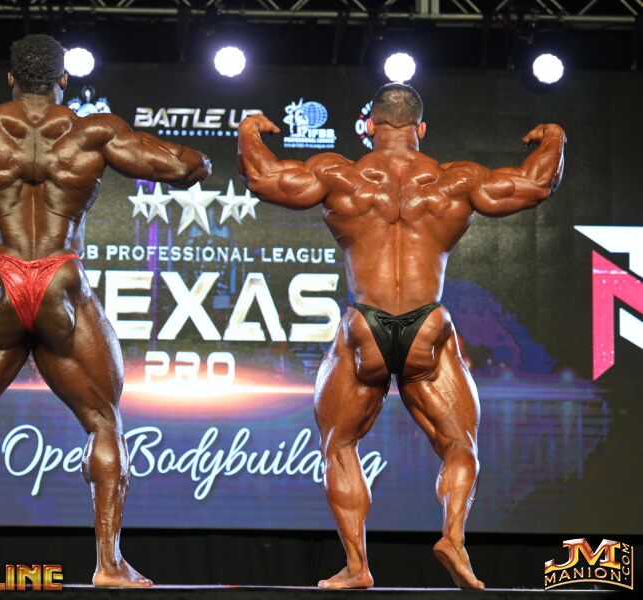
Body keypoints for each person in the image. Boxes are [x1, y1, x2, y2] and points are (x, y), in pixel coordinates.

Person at [0, 33, 211, 587]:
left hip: (2, 278)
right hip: (61, 280)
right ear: (63, 79)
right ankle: (109, 565)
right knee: (103, 420)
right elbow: (188, 166)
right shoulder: (95, 132)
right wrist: (195, 160)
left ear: (10, 78)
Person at [237, 83, 565, 590]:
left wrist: (248, 132)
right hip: (427, 325)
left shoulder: (339, 174)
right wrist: (555, 138)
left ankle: (356, 566)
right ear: (421, 129)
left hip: (364, 327)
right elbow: (533, 185)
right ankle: (453, 538)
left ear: (369, 126)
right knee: (460, 445)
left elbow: (263, 179)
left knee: (339, 444)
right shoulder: (456, 180)